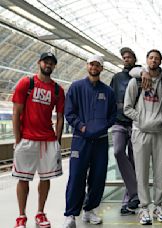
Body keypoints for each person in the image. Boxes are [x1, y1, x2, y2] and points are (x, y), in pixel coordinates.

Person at [124, 49, 162, 225]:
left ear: (160, 61)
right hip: (140, 132)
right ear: (146, 60)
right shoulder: (135, 81)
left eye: (157, 58)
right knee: (141, 171)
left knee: (160, 171)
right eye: (151, 58)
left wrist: (160, 120)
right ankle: (144, 207)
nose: (154, 60)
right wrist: (142, 119)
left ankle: (158, 206)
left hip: (160, 133)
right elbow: (127, 108)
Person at [12, 52, 65, 228]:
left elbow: (60, 117)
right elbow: (16, 112)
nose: (48, 65)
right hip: (27, 139)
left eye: (51, 63)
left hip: (48, 140)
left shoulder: (58, 90)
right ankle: (21, 216)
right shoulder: (26, 83)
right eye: (45, 62)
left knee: (45, 178)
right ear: (39, 63)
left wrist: (57, 141)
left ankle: (40, 213)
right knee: (23, 178)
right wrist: (18, 139)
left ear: (54, 66)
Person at [63, 55, 117, 228]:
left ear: (102, 68)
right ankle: (71, 214)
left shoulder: (108, 92)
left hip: (100, 141)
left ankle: (89, 210)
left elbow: (113, 115)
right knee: (77, 176)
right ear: (87, 66)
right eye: (92, 64)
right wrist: (82, 127)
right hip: (81, 140)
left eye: (98, 65)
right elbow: (69, 113)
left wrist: (102, 127)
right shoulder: (76, 87)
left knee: (98, 177)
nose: (94, 67)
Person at [109, 47, 140, 215]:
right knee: (118, 152)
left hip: (136, 124)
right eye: (124, 57)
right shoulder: (117, 78)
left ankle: (127, 203)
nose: (126, 59)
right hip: (119, 123)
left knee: (134, 162)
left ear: (135, 58)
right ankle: (135, 194)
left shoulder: (142, 75)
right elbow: (110, 98)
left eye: (129, 56)